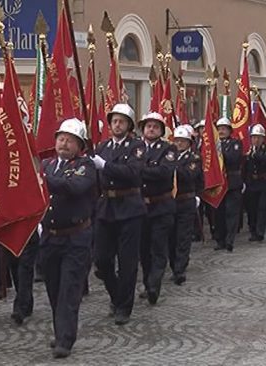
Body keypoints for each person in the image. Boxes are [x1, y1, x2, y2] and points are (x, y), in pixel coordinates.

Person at [40, 118, 96, 358]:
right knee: (53, 288)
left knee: (69, 289)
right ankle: (60, 329)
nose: (64, 143)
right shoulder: (47, 164)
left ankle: (66, 338)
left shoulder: (85, 165)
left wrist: (42, 180)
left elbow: (74, 187)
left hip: (75, 237)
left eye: (70, 140)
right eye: (61, 138)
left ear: (79, 145)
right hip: (50, 238)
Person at [91, 103, 146, 325]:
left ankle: (124, 306)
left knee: (127, 262)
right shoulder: (102, 147)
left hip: (129, 207)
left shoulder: (137, 147)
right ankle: (116, 295)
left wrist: (105, 166)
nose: (117, 124)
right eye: (114, 120)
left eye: (121, 121)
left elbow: (133, 173)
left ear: (129, 125)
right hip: (106, 207)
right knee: (102, 260)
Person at [137, 112, 175, 304]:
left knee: (158, 248)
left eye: (155, 127)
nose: (151, 129)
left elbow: (163, 172)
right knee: (143, 250)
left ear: (161, 131)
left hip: (161, 206)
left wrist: (138, 170)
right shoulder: (136, 148)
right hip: (141, 207)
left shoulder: (168, 149)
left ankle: (154, 285)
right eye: (148, 126)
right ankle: (146, 281)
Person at [169, 126, 203, 285]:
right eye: (176, 141)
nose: (179, 144)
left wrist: (174, 166)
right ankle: (173, 264)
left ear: (189, 143)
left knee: (183, 237)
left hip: (185, 201)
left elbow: (190, 175)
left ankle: (179, 269)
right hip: (170, 202)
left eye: (182, 141)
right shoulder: (169, 157)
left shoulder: (194, 158)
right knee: (171, 237)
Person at [213, 117, 244, 252]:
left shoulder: (235, 143)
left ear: (229, 131)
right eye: (219, 129)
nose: (221, 131)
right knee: (218, 213)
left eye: (224, 129)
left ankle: (229, 240)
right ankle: (220, 239)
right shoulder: (214, 144)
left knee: (231, 213)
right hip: (218, 183)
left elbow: (233, 158)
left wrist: (219, 152)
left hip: (232, 182)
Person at [243, 124, 266, 242]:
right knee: (252, 208)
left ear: (262, 139)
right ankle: (252, 230)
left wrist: (255, 154)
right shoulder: (249, 150)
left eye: (258, 137)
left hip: (264, 182)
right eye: (253, 137)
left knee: (262, 207)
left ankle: (260, 231)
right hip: (252, 182)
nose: (255, 140)